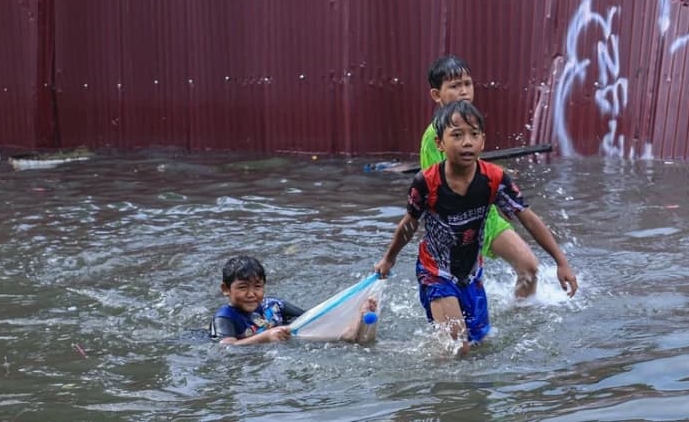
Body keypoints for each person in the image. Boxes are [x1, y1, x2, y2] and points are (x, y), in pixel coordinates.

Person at [374, 100, 576, 355]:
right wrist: (388, 259)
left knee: (481, 344)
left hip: (470, 274)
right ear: (440, 143)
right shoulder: (426, 183)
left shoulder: (495, 179)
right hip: (435, 271)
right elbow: (409, 224)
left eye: (474, 134)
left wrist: (561, 261)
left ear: (483, 141)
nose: (466, 142)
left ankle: (395, 349)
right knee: (457, 347)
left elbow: (527, 217)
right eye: (457, 135)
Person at [419, 55, 578, 299]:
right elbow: (449, 184)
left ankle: (519, 317)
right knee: (463, 294)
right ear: (436, 95)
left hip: (486, 217)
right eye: (454, 86)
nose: (463, 91)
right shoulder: (435, 137)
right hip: (456, 227)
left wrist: (494, 178)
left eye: (467, 84)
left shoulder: (471, 122)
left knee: (529, 268)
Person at [210, 255, 378, 345]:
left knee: (342, 337)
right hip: (260, 344)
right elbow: (227, 347)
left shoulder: (274, 305)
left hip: (280, 339)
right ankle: (350, 334)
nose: (251, 293)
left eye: (257, 286)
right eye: (242, 287)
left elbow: (313, 319)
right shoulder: (225, 316)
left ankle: (358, 319)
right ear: (226, 289)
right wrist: (266, 337)